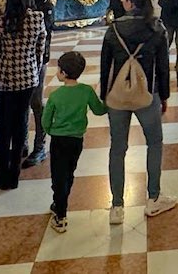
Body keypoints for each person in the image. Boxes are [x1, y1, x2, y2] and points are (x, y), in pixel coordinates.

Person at [100, 0, 175, 224]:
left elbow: (105, 68)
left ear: (131, 3)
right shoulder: (156, 28)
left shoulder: (114, 29)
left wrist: (105, 96)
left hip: (118, 96)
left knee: (118, 148)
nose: (122, 2)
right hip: (147, 94)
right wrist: (164, 96)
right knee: (155, 143)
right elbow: (163, 67)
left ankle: (117, 206)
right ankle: (153, 198)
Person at [0, 0, 47, 190]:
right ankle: (15, 172)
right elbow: (41, 49)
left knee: (4, 125)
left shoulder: (1, 21)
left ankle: (3, 171)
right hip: (28, 77)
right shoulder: (37, 19)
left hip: (5, 78)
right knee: (22, 121)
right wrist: (34, 68)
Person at [44, 50, 107, 233]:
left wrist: (50, 131)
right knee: (69, 171)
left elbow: (45, 120)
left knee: (58, 175)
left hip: (58, 140)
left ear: (63, 73)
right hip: (76, 140)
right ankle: (62, 199)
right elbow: (99, 110)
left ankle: (60, 213)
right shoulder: (86, 91)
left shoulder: (56, 96)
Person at [23, 0, 58, 168]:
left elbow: (43, 36)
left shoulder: (46, 7)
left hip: (37, 60)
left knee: (36, 102)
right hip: (24, 61)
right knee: (25, 103)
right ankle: (23, 143)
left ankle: (40, 145)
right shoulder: (31, 3)